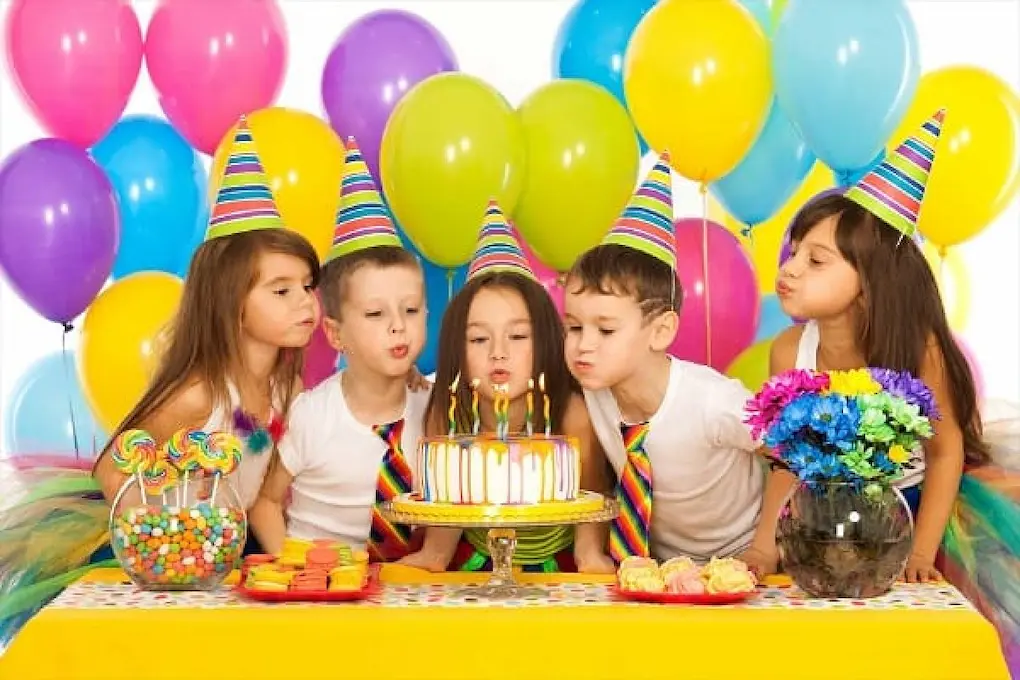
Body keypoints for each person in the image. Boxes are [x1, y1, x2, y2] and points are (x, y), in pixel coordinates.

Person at [1, 117, 320, 647]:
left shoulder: (288, 392)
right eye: (281, 291)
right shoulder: (202, 393)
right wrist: (163, 545)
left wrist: (286, 562)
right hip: (172, 556)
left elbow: (265, 492)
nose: (306, 302)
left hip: (229, 555)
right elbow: (111, 470)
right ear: (231, 303)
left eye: (308, 286)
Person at [749, 110, 1018, 673]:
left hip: (911, 512)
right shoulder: (787, 352)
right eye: (794, 251)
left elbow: (944, 454)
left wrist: (922, 551)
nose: (790, 269)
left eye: (815, 260)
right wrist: (763, 544)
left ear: (867, 286)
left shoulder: (918, 351)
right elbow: (784, 463)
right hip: (819, 514)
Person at [562, 153, 765, 566]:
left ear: (662, 331)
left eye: (605, 330)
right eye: (573, 327)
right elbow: (595, 476)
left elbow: (792, 455)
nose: (584, 345)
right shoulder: (594, 390)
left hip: (741, 561)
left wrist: (764, 551)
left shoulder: (712, 401)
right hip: (656, 567)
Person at [399, 200, 611, 573]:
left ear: (545, 338)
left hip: (556, 566)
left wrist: (589, 556)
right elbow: (447, 507)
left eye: (517, 336)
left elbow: (593, 500)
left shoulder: (570, 412)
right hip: (477, 563)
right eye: (479, 340)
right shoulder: (448, 409)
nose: (499, 353)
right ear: (456, 349)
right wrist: (435, 554)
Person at [250, 139, 430, 560]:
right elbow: (265, 502)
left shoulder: (437, 405)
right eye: (374, 314)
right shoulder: (313, 414)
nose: (398, 325)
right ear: (335, 333)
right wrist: (296, 569)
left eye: (411, 309)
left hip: (409, 591)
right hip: (324, 596)